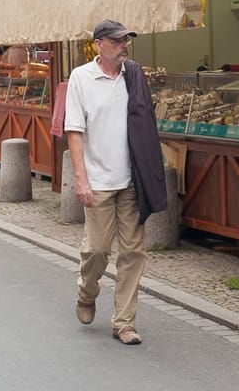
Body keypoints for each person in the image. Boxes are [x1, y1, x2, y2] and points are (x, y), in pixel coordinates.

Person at [63, 19, 169, 346]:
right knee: (96, 250)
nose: (124, 46)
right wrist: (80, 179)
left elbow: (145, 125)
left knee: (134, 252)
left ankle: (124, 322)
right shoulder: (81, 78)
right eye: (117, 41)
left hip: (131, 179)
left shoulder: (133, 76)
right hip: (97, 181)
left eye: (126, 41)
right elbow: (74, 132)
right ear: (99, 45)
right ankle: (87, 291)